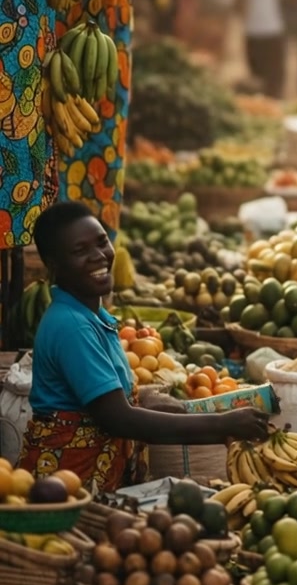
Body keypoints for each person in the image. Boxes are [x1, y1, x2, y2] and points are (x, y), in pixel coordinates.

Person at [18, 203, 269, 493]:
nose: (99, 255)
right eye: (80, 250)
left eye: (102, 242)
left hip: (93, 478)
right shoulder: (72, 326)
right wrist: (223, 425)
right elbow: (118, 419)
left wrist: (148, 401)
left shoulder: (92, 314)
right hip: (65, 488)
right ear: (54, 264)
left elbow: (107, 401)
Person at [236, 0, 294, 99]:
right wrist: (243, 18)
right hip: (253, 31)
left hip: (273, 29)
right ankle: (261, 103)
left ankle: (275, 102)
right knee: (256, 74)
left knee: (275, 74)